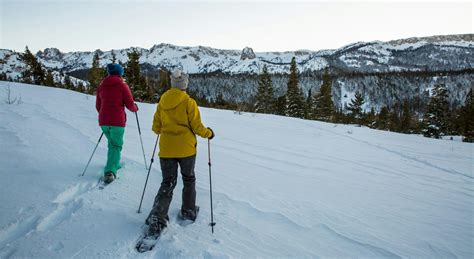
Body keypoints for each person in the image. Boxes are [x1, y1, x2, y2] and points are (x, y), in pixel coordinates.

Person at [145, 69, 214, 237]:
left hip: (167, 149)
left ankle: (157, 217)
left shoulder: (163, 101)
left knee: (167, 182)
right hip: (186, 149)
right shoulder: (189, 102)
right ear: (184, 85)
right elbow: (197, 127)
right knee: (188, 179)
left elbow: (156, 128)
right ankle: (188, 211)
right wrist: (209, 133)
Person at [96, 63, 138, 184]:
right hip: (117, 122)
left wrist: (105, 115)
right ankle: (110, 171)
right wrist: (135, 108)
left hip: (103, 121)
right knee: (116, 145)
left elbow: (98, 106)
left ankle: (114, 163)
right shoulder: (122, 86)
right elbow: (130, 104)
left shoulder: (101, 86)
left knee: (112, 143)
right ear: (120, 73)